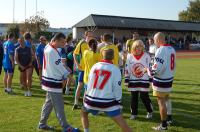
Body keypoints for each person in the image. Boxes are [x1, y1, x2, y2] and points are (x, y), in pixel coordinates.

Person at [81, 49, 132, 132]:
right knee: (122, 123)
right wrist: (118, 101)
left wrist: (86, 95)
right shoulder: (115, 69)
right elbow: (117, 87)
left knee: (83, 113)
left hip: (91, 100)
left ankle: (86, 130)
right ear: (113, 57)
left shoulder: (95, 66)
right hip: (108, 102)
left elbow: (89, 83)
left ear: (102, 55)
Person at [38, 33, 79, 132]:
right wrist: (70, 77)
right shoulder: (52, 51)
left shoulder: (48, 47)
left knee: (49, 104)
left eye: (65, 42)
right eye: (62, 42)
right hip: (53, 82)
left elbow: (58, 64)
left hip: (49, 80)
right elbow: (60, 67)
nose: (64, 44)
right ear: (55, 41)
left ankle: (42, 124)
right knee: (59, 105)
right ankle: (66, 127)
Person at [150, 32, 176, 130]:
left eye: (155, 40)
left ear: (158, 40)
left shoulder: (161, 50)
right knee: (167, 99)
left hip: (161, 80)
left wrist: (148, 70)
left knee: (161, 102)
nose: (154, 42)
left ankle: (163, 125)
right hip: (169, 78)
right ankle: (169, 118)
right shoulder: (172, 49)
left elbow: (157, 68)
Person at [124, 40, 153, 120]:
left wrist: (151, 80)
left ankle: (150, 111)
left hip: (144, 80)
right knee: (134, 98)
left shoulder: (146, 56)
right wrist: (127, 80)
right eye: (137, 47)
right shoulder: (129, 56)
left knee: (144, 97)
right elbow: (127, 69)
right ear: (134, 47)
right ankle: (134, 113)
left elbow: (150, 68)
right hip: (133, 81)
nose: (139, 48)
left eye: (141, 47)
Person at [73, 31, 93, 109]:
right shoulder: (82, 43)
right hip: (82, 69)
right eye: (89, 36)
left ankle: (85, 104)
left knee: (87, 87)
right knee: (80, 85)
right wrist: (77, 64)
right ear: (86, 36)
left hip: (91, 69)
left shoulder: (94, 43)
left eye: (92, 36)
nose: (91, 37)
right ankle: (76, 102)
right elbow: (75, 53)